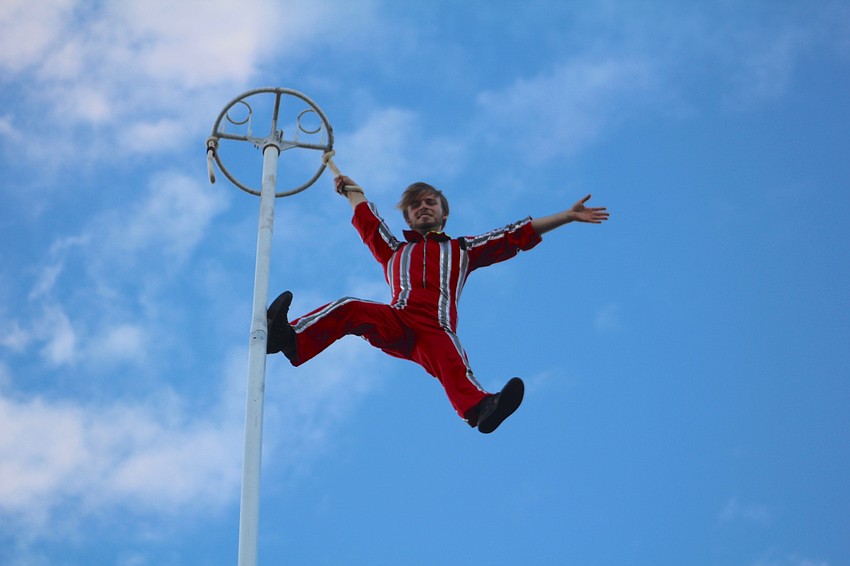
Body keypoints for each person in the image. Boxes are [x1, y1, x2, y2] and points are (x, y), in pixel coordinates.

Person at [267, 174, 609, 433]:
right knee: (350, 308)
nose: (423, 207)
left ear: (443, 214)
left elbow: (512, 236)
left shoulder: (463, 249)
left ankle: (481, 408)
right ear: (409, 219)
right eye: (416, 206)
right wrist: (352, 191)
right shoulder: (395, 250)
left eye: (430, 202)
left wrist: (566, 216)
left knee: (451, 359)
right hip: (398, 319)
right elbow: (369, 224)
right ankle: (289, 338)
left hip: (435, 327)